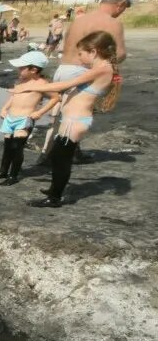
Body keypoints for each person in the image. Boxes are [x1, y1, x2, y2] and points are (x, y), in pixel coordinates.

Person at [13, 31, 121, 208]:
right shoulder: (103, 68)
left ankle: (54, 198)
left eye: (81, 53)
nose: (79, 58)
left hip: (75, 121)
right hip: (73, 119)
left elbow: (65, 85)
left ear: (93, 51)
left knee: (61, 159)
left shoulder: (102, 69)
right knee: (58, 156)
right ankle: (55, 188)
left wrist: (29, 88)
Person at [39, 0, 131, 164]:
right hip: (82, 71)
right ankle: (58, 154)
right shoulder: (112, 23)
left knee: (60, 113)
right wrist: (106, 69)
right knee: (77, 113)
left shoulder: (79, 20)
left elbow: (66, 45)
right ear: (120, 4)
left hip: (62, 69)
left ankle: (52, 152)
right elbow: (119, 53)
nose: (122, 12)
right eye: (124, 8)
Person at [0, 51, 58, 186]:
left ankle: (13, 176)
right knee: (7, 146)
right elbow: (14, 96)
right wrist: (4, 108)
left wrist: (40, 112)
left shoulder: (42, 84)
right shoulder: (19, 81)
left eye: (21, 68)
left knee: (17, 147)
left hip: (25, 119)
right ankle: (3, 171)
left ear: (34, 70)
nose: (18, 70)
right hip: (10, 117)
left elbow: (56, 98)